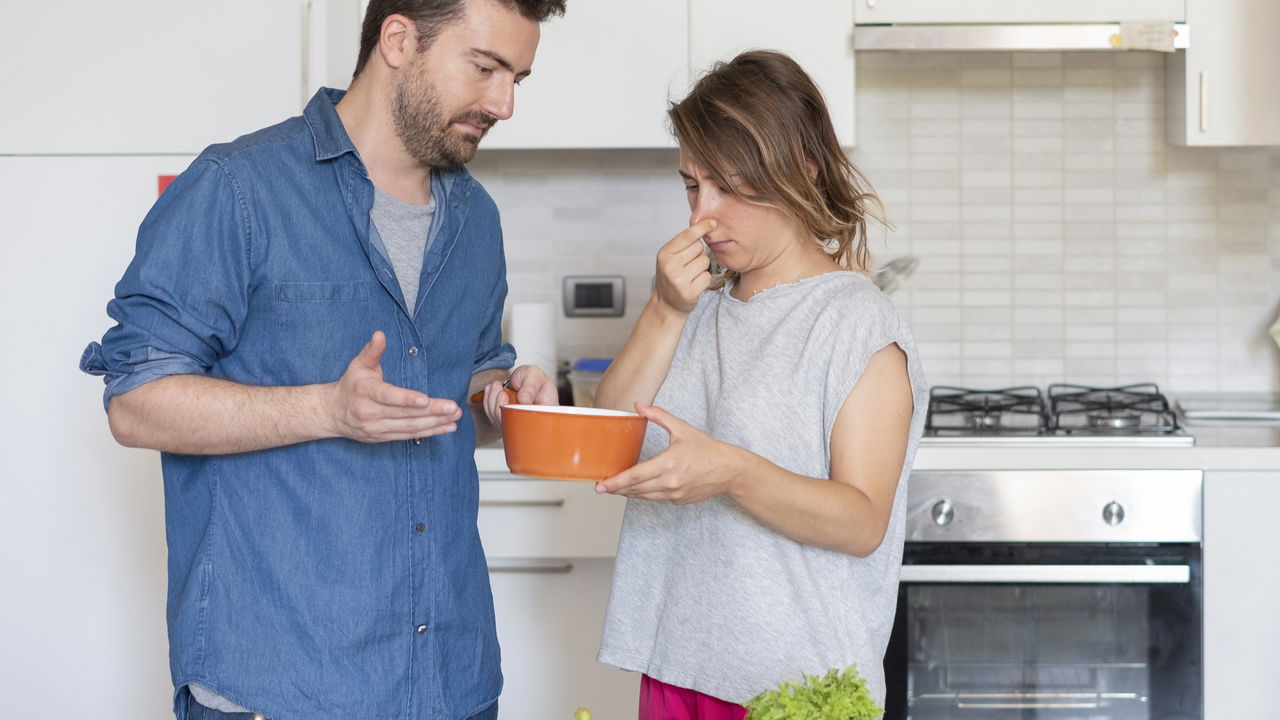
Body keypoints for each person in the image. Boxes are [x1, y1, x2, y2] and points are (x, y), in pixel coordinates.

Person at [78, 1, 565, 718]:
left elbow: (461, 393)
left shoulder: (477, 219)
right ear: (398, 40)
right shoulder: (239, 188)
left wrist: (500, 400)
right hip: (284, 686)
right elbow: (135, 402)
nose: (505, 103)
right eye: (486, 68)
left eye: (517, 77)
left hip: (450, 683)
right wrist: (325, 409)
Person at [592, 50, 929, 718]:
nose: (701, 218)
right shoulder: (694, 311)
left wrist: (732, 472)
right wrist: (663, 309)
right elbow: (608, 443)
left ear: (801, 170)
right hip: (676, 664)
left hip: (794, 689)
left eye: (728, 186)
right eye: (692, 185)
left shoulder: (855, 324)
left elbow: (862, 521)